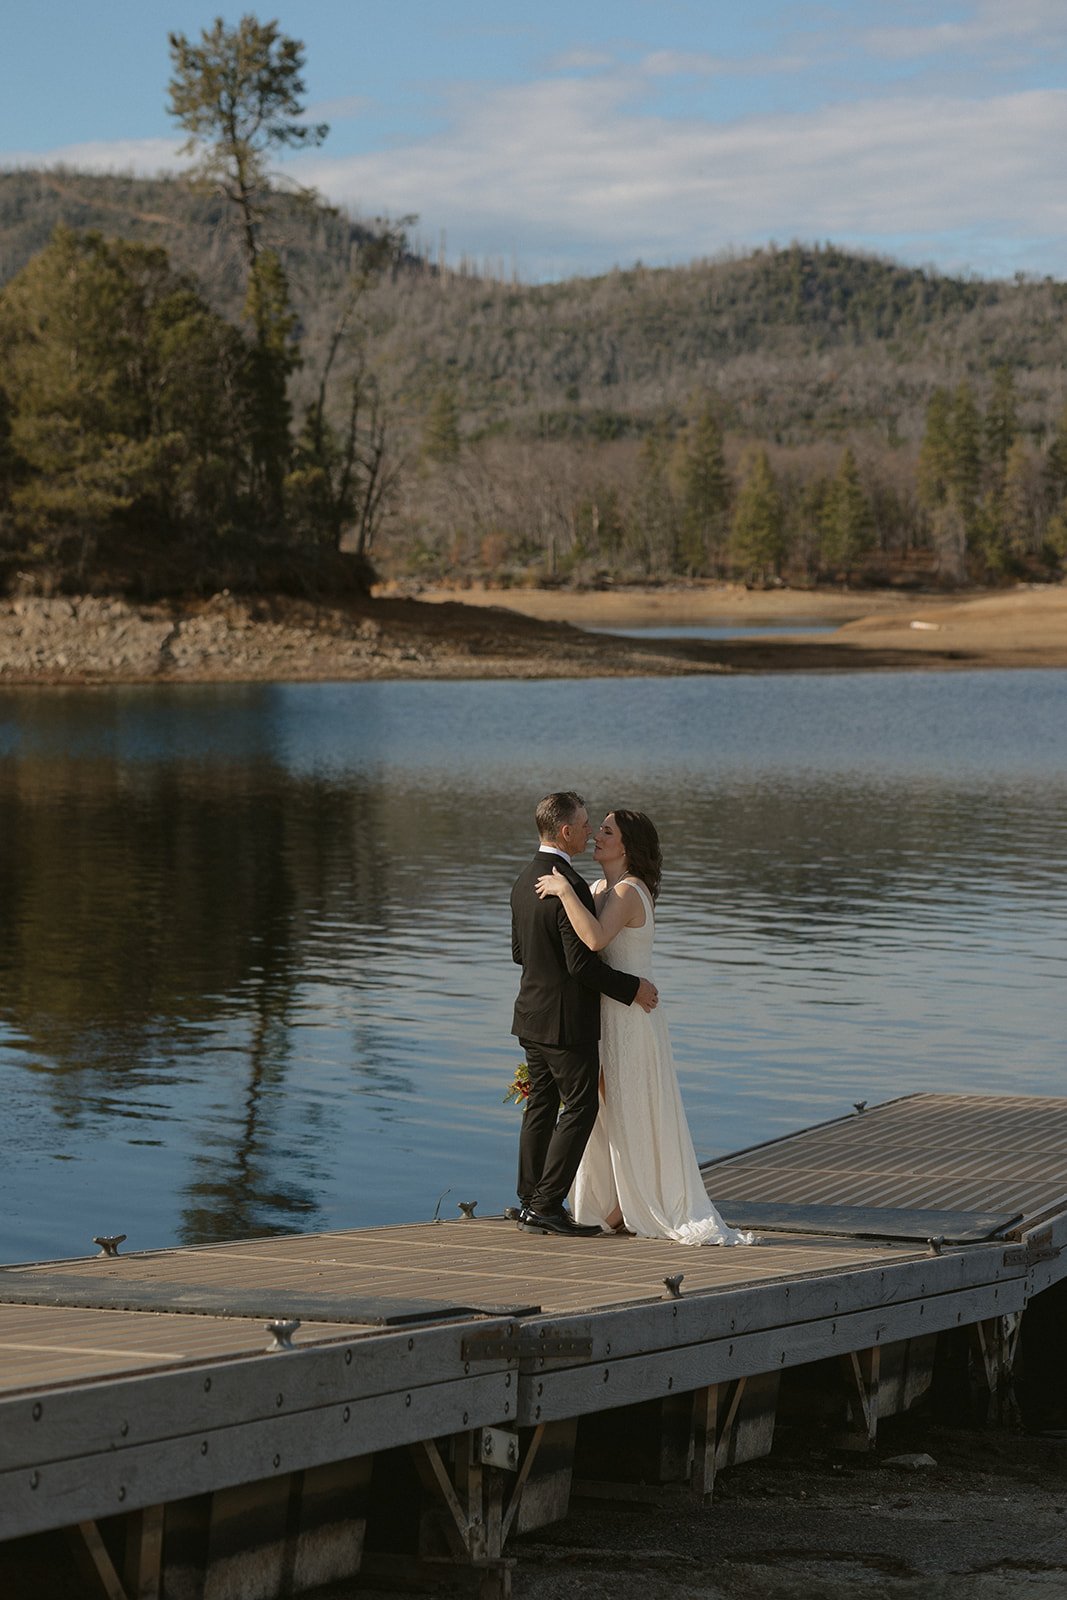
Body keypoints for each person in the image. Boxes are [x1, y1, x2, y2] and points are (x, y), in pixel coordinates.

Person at [536, 809, 756, 1247]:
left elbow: (596, 940)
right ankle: (610, 1200)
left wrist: (562, 890)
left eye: (607, 831)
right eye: (596, 828)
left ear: (628, 847)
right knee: (601, 1109)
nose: (596, 835)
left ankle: (630, 1205)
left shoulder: (629, 891)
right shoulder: (598, 888)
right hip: (604, 1014)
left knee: (631, 1106)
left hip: (632, 1019)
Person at [511, 792, 659, 1237]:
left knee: (540, 1104)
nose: (591, 830)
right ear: (566, 831)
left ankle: (527, 1201)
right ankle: (545, 1206)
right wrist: (633, 989)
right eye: (586, 824)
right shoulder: (569, 883)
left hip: (530, 1014)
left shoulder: (523, 880)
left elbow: (521, 953)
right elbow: (582, 963)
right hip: (565, 1021)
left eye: (602, 827)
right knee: (579, 1106)